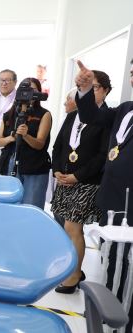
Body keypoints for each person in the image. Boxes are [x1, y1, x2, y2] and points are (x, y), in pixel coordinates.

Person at [75, 59, 133, 331]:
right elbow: (90, 116)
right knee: (110, 261)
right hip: (112, 201)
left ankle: (124, 319)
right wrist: (86, 92)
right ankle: (109, 314)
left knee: (128, 267)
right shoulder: (125, 109)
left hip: (130, 206)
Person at [50, 87, 109, 294]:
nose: (90, 92)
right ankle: (71, 268)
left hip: (86, 182)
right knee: (66, 227)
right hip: (64, 179)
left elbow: (102, 155)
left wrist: (78, 176)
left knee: (72, 227)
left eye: (95, 88)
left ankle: (74, 276)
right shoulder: (73, 116)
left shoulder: (106, 118)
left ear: (105, 91)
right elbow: (58, 147)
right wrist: (57, 170)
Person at [0, 77, 52, 209]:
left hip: (35, 166)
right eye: (25, 89)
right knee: (10, 206)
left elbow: (40, 144)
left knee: (31, 207)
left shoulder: (44, 114)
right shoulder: (9, 114)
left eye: (33, 90)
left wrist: (26, 135)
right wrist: (11, 138)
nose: (29, 93)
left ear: (38, 92)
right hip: (12, 163)